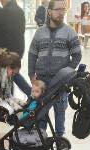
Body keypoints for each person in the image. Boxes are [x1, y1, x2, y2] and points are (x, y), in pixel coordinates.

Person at [28, 0, 81, 137]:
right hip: (42, 81)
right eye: (58, 9)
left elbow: (77, 55)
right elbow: (32, 54)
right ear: (49, 11)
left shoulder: (70, 32)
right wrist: (31, 74)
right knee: (40, 112)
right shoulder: (39, 33)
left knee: (60, 112)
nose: (61, 13)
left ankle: (59, 140)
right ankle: (41, 138)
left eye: (63, 9)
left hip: (60, 83)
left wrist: (67, 72)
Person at [0, 0, 32, 97]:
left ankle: (29, 93)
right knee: (12, 74)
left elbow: (1, 34)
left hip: (8, 49)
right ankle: (28, 94)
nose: (1, 2)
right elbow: (22, 29)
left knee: (10, 73)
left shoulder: (4, 11)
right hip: (19, 47)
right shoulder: (20, 11)